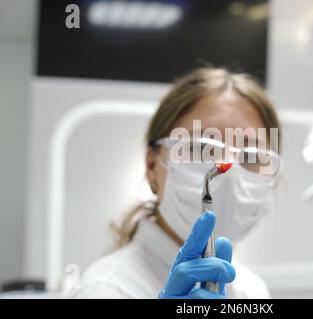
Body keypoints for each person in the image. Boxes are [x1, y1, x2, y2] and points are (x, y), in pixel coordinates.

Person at [73, 68, 282, 299]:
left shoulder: (251, 290)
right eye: (201, 148)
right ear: (153, 166)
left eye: (252, 156)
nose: (227, 172)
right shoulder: (107, 289)